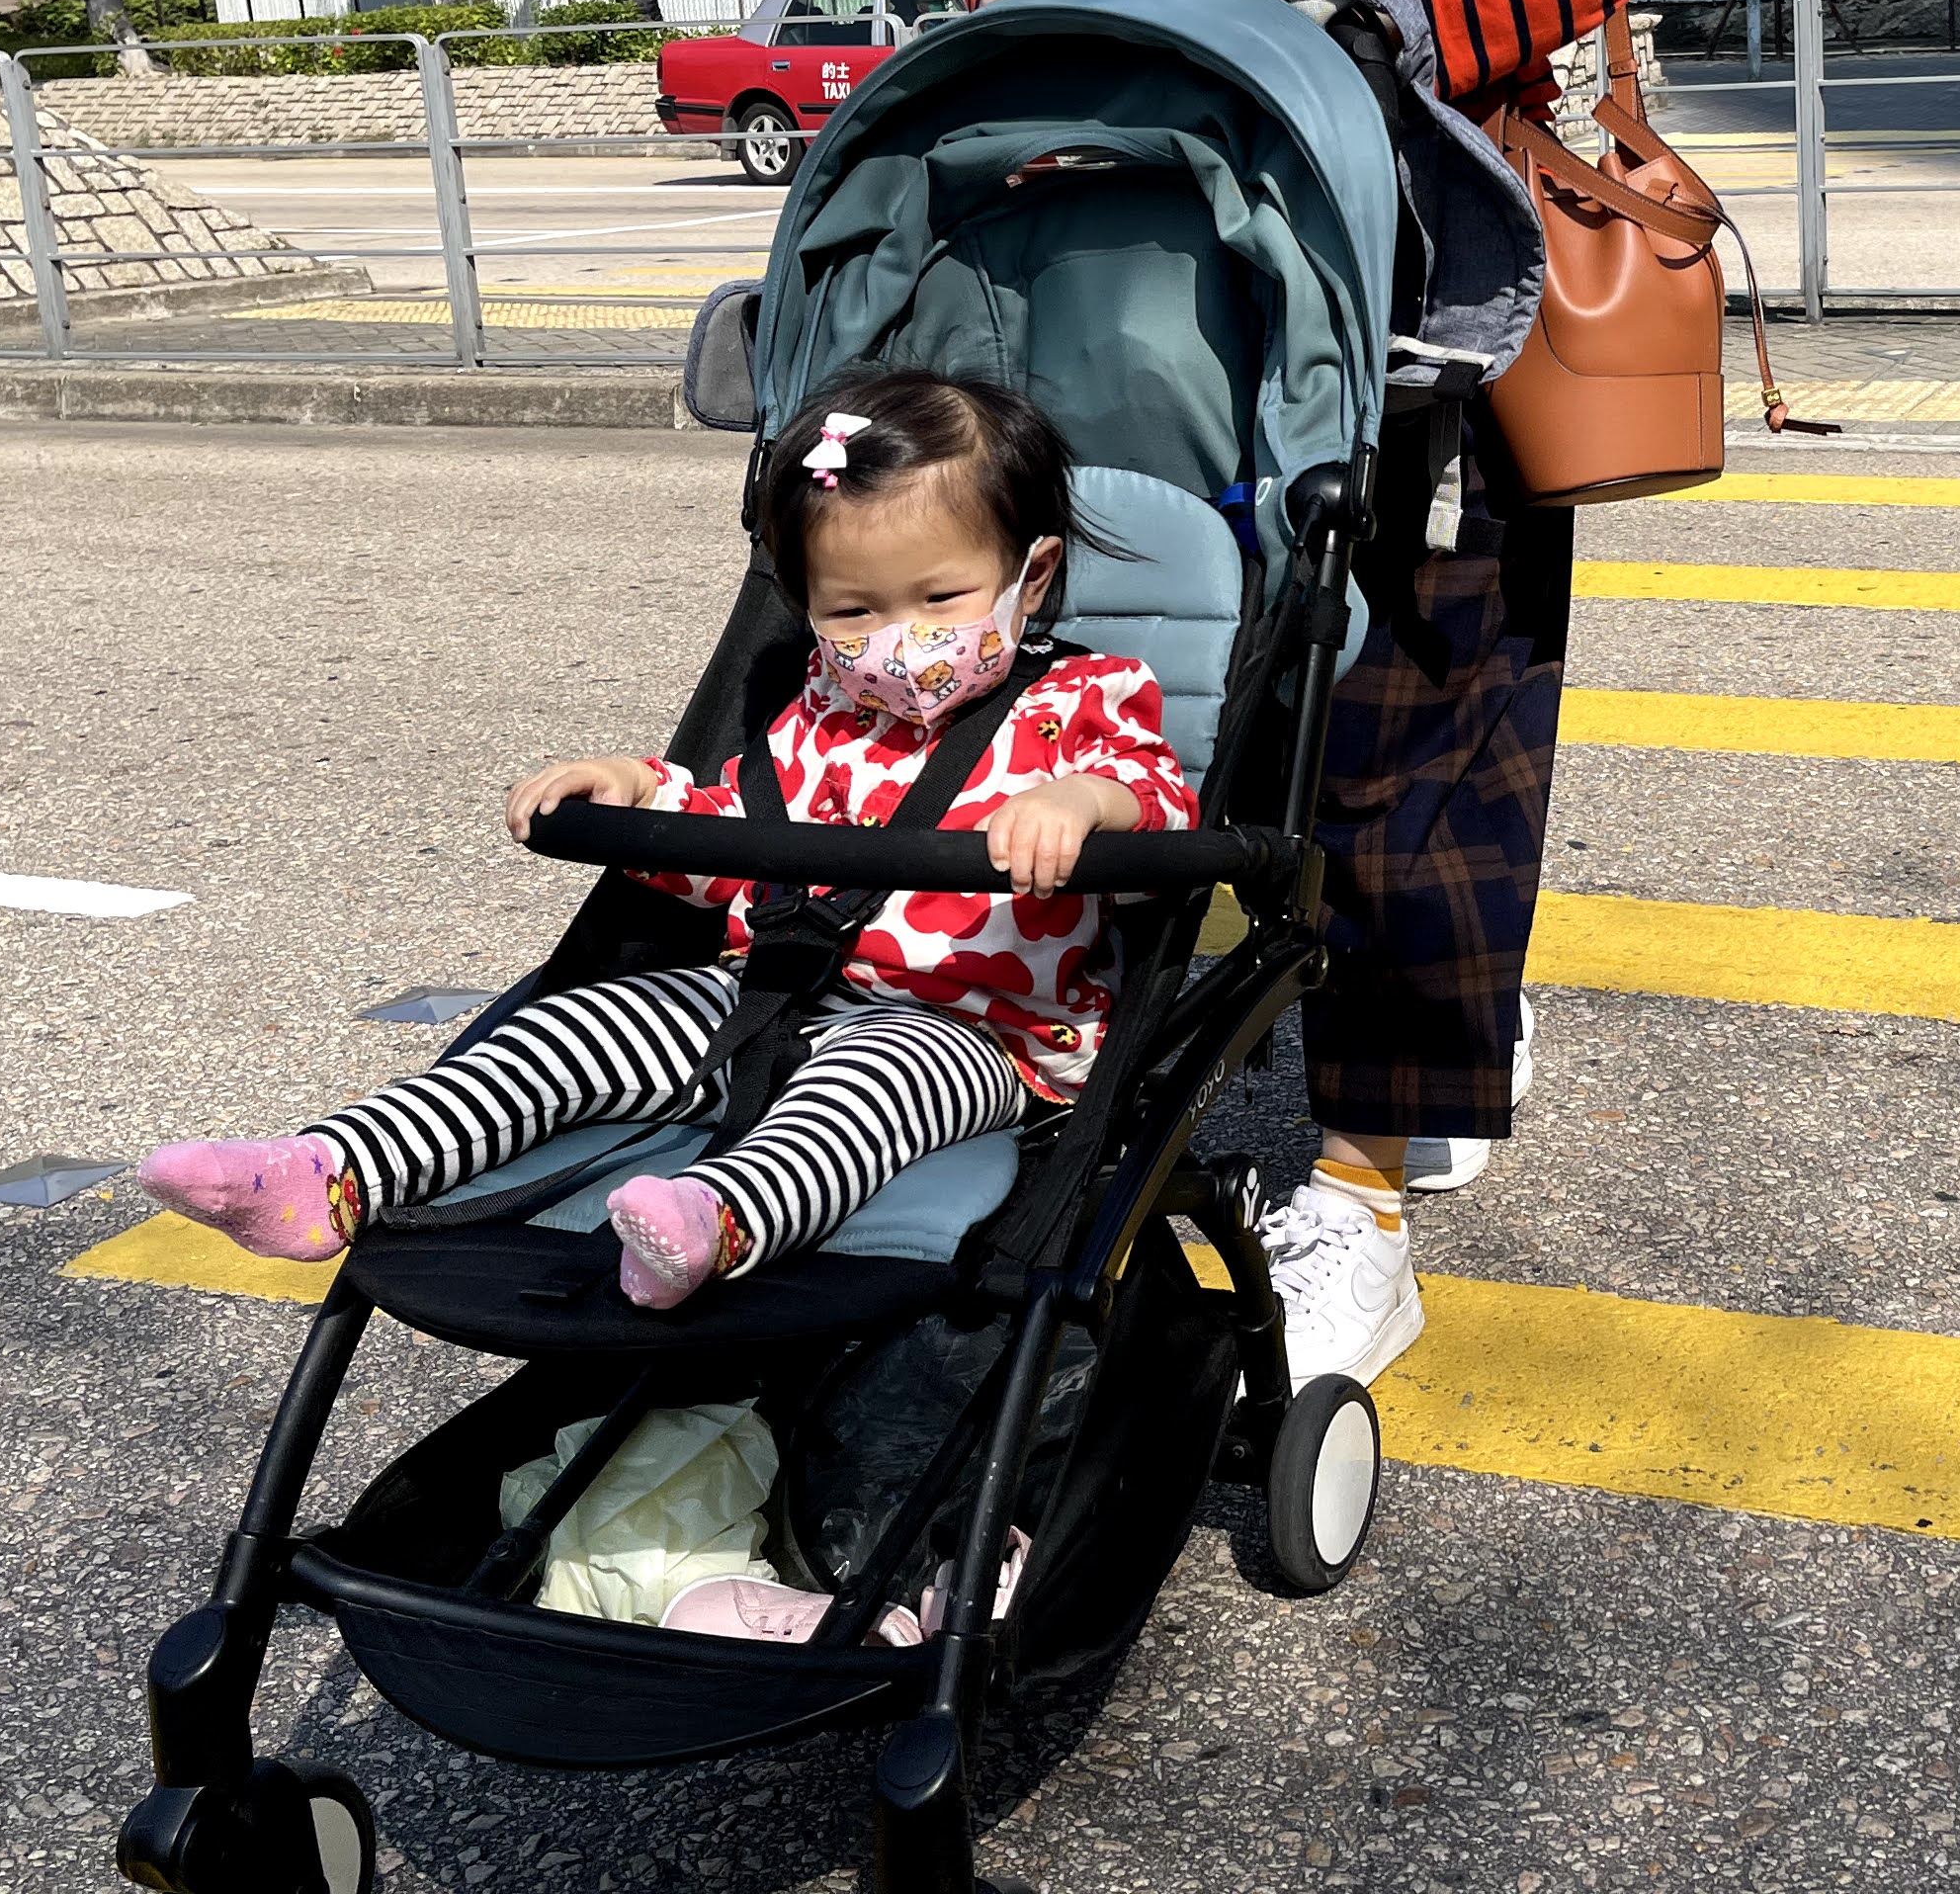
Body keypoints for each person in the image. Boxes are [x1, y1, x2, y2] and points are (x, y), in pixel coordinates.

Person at [959, 0, 1659, 1393]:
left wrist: (1356, 32)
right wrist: (1043, 6)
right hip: (1164, 267)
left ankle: (1363, 1179)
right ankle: (1055, 1053)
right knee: (1146, 672)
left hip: (1427, 257)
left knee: (1422, 712)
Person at [136, 368, 1194, 1311]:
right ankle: (332, 1170)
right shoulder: (820, 709)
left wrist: (1086, 805)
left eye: (941, 598)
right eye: (853, 612)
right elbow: (742, 836)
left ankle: (715, 1221)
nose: (898, 642)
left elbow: (1160, 798)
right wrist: (640, 794)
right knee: (571, 1031)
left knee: (862, 1092)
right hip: (770, 990)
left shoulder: (1084, 701)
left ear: (1030, 577)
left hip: (977, 1032)